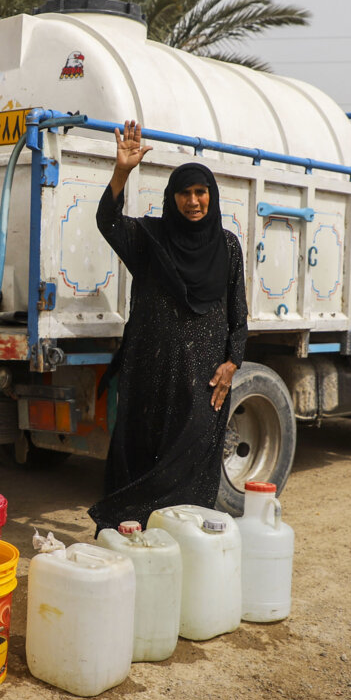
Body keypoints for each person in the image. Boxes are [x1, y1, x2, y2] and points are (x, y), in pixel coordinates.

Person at [88, 120, 248, 532]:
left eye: (200, 192)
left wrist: (232, 364)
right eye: (184, 193)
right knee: (139, 458)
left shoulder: (228, 246)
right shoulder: (150, 239)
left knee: (191, 465)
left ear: (210, 196)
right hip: (149, 377)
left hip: (203, 382)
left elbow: (238, 314)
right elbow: (107, 221)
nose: (193, 201)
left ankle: (180, 544)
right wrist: (122, 171)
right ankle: (129, 541)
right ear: (171, 197)